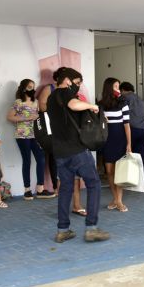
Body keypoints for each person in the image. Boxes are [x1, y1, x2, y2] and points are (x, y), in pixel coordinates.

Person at [47, 67, 109, 243]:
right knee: (94, 183)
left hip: (59, 152)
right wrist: (92, 106)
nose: (78, 88)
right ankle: (91, 228)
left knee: (65, 188)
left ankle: (62, 230)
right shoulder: (64, 93)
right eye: (77, 83)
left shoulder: (51, 97)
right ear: (67, 80)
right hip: (76, 150)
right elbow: (73, 104)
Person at [39, 76, 85, 215]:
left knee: (76, 176)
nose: (76, 85)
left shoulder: (76, 95)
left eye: (78, 83)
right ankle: (63, 210)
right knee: (63, 177)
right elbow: (42, 107)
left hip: (76, 141)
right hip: (60, 140)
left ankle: (76, 205)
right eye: (74, 82)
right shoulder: (52, 93)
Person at [6, 79, 53, 200]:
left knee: (41, 159)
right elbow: (10, 117)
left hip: (36, 135)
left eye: (33, 87)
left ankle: (40, 189)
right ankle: (27, 190)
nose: (32, 89)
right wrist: (26, 117)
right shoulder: (18, 102)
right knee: (27, 161)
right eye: (29, 87)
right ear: (23, 88)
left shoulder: (36, 102)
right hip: (22, 135)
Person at [98, 78, 132, 212]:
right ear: (109, 88)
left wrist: (129, 143)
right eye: (116, 86)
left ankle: (119, 200)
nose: (118, 89)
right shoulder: (101, 104)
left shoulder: (123, 103)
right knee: (110, 172)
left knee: (120, 172)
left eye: (118, 86)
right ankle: (115, 199)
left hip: (120, 139)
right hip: (107, 139)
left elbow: (127, 125)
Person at [120, 81, 144, 187]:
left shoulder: (125, 98)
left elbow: (122, 112)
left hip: (132, 129)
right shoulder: (139, 98)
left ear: (123, 90)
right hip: (143, 129)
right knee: (141, 156)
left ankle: (129, 180)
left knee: (128, 155)